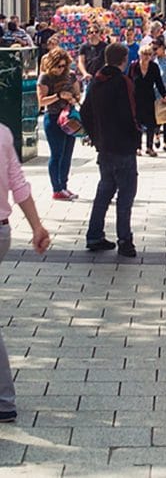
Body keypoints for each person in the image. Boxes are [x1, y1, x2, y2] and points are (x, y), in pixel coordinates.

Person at [0, 123, 50, 422]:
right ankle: (4, 400)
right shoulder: (3, 133)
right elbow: (18, 184)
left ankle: (4, 398)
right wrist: (36, 226)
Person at [80, 42, 142, 258]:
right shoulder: (123, 82)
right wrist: (136, 135)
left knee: (105, 190)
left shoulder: (97, 81)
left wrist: (96, 136)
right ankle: (124, 239)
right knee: (125, 194)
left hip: (104, 146)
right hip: (123, 146)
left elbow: (85, 111)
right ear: (124, 59)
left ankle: (94, 234)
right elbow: (130, 113)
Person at [36, 48, 81, 201]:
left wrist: (73, 98)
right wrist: (58, 96)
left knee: (67, 153)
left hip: (70, 117)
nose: (60, 69)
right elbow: (41, 101)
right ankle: (56, 188)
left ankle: (64, 185)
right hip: (54, 117)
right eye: (58, 66)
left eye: (63, 66)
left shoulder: (71, 75)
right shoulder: (45, 78)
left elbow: (78, 94)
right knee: (57, 154)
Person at [129, 44, 166, 157]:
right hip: (136, 98)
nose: (146, 57)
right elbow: (129, 81)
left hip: (149, 98)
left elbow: (158, 82)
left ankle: (149, 147)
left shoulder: (154, 67)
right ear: (139, 55)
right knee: (137, 124)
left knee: (151, 124)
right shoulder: (134, 66)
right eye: (144, 54)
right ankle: (137, 147)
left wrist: (164, 94)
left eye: (149, 54)